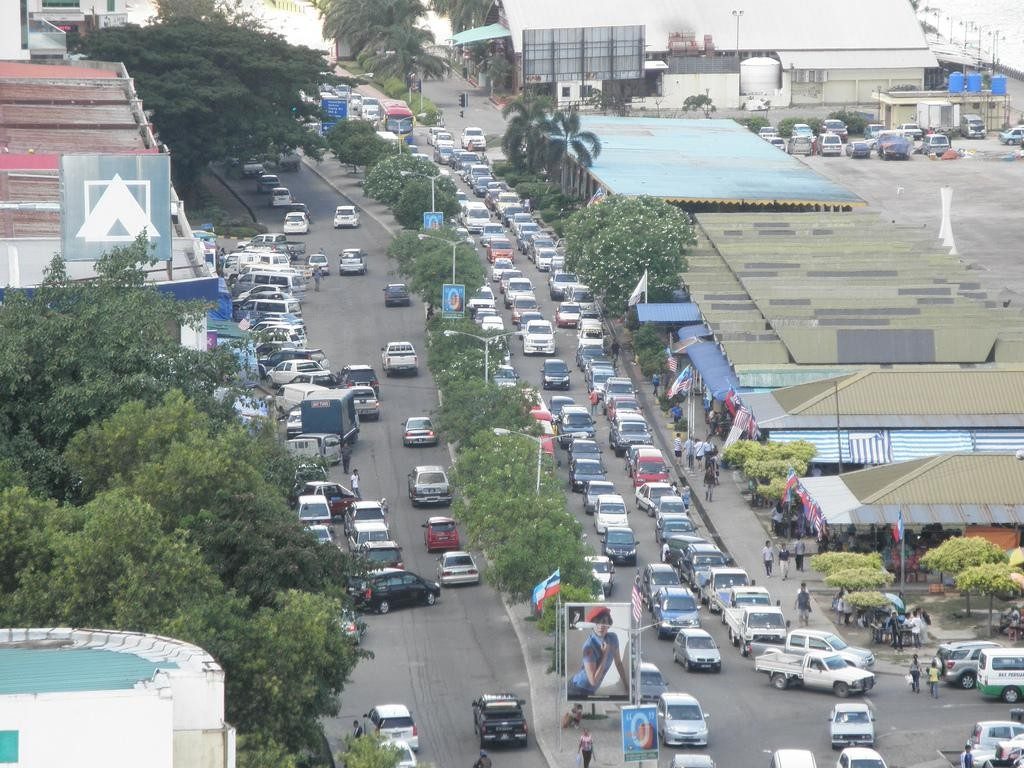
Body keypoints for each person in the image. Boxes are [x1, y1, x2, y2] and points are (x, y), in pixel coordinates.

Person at [567, 606, 630, 699]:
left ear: (609, 624)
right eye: (597, 622)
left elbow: (618, 663)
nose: (601, 626)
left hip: (591, 690)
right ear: (592, 625)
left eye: (604, 621)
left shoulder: (613, 638)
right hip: (578, 688)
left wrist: (626, 685)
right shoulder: (588, 646)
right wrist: (605, 654)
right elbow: (593, 681)